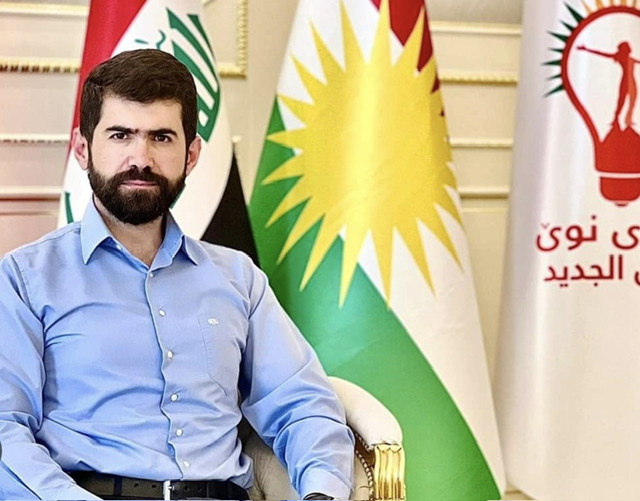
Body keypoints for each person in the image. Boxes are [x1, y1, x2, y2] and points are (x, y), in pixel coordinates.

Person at [0, 49, 354, 501]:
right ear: (83, 149)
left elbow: (301, 405)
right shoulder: (24, 279)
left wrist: (322, 492)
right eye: (120, 135)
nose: (141, 157)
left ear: (191, 154)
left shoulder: (238, 278)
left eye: (161, 137)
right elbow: (5, 429)